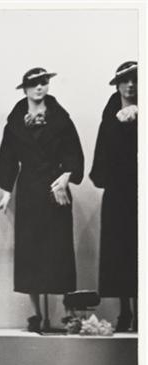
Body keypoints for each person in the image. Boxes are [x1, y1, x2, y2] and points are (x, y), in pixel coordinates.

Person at [0, 68, 84, 332]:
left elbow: (73, 152)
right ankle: (36, 314)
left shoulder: (61, 119)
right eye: (34, 84)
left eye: (43, 83)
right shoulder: (15, 123)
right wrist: (6, 194)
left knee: (59, 249)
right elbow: (8, 158)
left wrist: (65, 177)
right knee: (30, 250)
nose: (39, 88)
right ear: (25, 89)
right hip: (30, 190)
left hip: (56, 187)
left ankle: (68, 312)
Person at [90, 61, 138, 332]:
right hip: (118, 193)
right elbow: (103, 151)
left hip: (140, 191)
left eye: (135, 80)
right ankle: (125, 311)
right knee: (119, 249)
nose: (130, 85)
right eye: (125, 80)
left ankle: (141, 311)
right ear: (117, 84)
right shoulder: (110, 115)